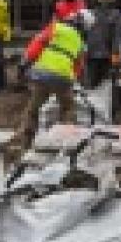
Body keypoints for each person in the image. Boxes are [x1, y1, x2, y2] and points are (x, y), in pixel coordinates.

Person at [22, 8, 92, 143]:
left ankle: (28, 141)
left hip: (42, 74)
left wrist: (25, 62)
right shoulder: (81, 43)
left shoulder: (56, 27)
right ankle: (64, 141)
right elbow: (78, 67)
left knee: (33, 110)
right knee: (68, 108)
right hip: (63, 78)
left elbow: (37, 44)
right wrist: (74, 81)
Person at [86, 0, 121, 112]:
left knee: (109, 85)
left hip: (108, 56)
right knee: (92, 85)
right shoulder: (91, 13)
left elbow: (117, 35)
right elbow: (85, 32)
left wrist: (115, 53)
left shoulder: (116, 15)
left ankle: (110, 111)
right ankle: (92, 111)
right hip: (92, 55)